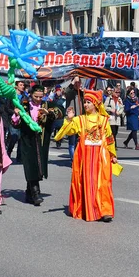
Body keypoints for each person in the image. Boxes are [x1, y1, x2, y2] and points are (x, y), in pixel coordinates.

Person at [54, 89, 117, 222]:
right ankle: (88, 208)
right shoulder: (80, 119)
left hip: (101, 155)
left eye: (88, 102)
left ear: (95, 104)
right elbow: (65, 133)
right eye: (85, 102)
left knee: (103, 182)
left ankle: (104, 211)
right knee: (87, 182)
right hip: (85, 156)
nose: (86, 105)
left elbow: (110, 138)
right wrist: (69, 119)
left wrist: (113, 154)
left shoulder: (103, 120)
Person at [11, 84, 63, 206]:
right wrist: (17, 114)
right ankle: (35, 193)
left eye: (41, 97)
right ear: (30, 95)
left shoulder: (47, 105)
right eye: (36, 96)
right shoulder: (24, 105)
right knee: (30, 165)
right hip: (27, 140)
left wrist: (49, 113)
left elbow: (61, 111)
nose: (38, 99)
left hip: (41, 140)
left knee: (38, 167)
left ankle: (29, 193)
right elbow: (16, 124)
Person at [64, 76, 84, 159]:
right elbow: (66, 92)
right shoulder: (70, 92)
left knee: (79, 141)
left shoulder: (82, 93)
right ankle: (73, 160)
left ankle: (78, 158)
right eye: (76, 82)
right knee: (72, 142)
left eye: (79, 82)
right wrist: (72, 83)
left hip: (80, 119)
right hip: (72, 119)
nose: (77, 84)